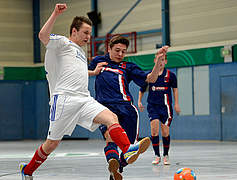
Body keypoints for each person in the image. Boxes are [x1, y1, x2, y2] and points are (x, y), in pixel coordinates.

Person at [19, 4, 148, 180]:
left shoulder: (80, 52)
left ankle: (127, 150)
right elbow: (42, 35)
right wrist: (56, 13)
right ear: (74, 31)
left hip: (84, 99)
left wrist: (93, 73)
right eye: (86, 32)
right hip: (64, 99)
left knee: (112, 118)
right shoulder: (62, 43)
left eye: (90, 33)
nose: (89, 36)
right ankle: (27, 170)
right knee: (51, 144)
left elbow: (74, 71)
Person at [88, 35, 168, 179]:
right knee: (109, 137)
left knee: (130, 150)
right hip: (105, 108)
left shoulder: (128, 67)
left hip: (127, 110)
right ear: (109, 49)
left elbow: (151, 79)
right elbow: (79, 73)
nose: (120, 54)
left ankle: (118, 166)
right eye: (117, 50)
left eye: (123, 51)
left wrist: (158, 62)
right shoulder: (98, 61)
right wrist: (93, 72)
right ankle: (113, 166)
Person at [138, 54, 180, 165]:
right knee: (154, 130)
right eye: (158, 59)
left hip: (166, 107)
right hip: (153, 106)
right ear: (154, 61)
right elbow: (142, 89)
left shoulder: (171, 76)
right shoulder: (150, 75)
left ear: (165, 61)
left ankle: (166, 155)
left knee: (165, 132)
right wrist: (139, 101)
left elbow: (175, 90)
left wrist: (176, 104)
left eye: (162, 60)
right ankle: (157, 155)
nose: (160, 62)